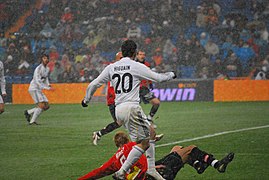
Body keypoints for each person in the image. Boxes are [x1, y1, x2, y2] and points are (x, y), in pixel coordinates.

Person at [81, 39, 176, 180]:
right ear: (135, 52)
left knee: (151, 132)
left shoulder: (111, 67)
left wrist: (86, 100)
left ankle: (150, 169)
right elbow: (158, 78)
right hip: (131, 108)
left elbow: (93, 84)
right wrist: (172, 74)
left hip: (119, 109)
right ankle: (121, 172)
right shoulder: (135, 66)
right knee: (143, 143)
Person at [78, 131, 235, 180]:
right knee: (190, 149)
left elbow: (97, 173)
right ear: (128, 139)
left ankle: (197, 165)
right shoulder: (134, 147)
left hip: (148, 173)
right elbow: (143, 158)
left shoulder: (114, 159)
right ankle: (216, 164)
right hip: (155, 175)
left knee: (177, 148)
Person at [92, 52, 123, 145]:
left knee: (122, 122)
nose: (123, 59)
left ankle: (98, 134)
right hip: (114, 101)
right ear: (116, 59)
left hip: (118, 101)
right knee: (120, 122)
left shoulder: (120, 70)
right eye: (120, 58)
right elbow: (111, 89)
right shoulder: (113, 69)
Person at [24, 54, 53, 125]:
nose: (46, 59)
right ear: (41, 59)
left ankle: (28, 112)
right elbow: (37, 81)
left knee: (46, 106)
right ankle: (32, 122)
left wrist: (48, 84)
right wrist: (47, 88)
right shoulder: (38, 68)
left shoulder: (47, 68)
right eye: (44, 58)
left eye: (47, 58)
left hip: (38, 89)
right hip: (34, 88)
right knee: (42, 105)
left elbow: (45, 78)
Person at [136, 50, 161, 127]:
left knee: (156, 103)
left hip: (144, 89)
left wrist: (150, 84)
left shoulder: (147, 64)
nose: (142, 56)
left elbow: (149, 75)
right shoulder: (133, 64)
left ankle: (149, 119)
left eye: (143, 54)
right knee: (135, 108)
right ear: (137, 55)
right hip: (135, 89)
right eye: (140, 54)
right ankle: (140, 124)